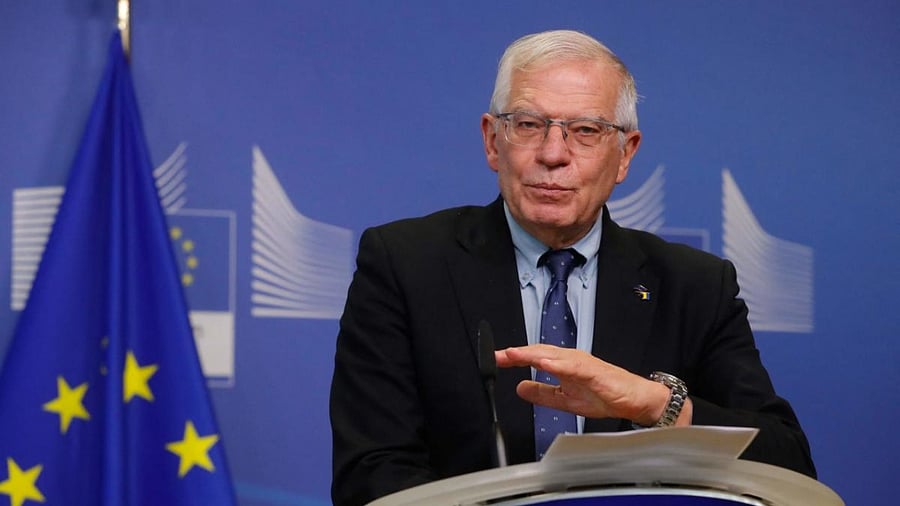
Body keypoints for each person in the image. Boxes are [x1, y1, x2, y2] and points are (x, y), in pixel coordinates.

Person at [330, 29, 816, 505]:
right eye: (528, 124)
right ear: (493, 141)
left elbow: (787, 464)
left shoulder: (695, 285)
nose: (553, 154)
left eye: (586, 131)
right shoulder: (406, 264)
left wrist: (656, 406)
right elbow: (370, 473)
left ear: (625, 154)